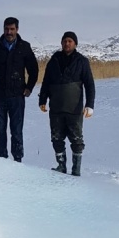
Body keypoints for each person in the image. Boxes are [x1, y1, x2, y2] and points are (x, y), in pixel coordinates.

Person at [0, 17, 39, 162]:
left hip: (17, 96)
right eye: (6, 29)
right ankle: (2, 161)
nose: (9, 32)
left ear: (17, 29)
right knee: (0, 130)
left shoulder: (24, 47)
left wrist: (29, 87)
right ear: (3, 29)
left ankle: (18, 161)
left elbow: (34, 70)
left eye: (12, 29)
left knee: (16, 131)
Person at [39, 31, 95, 176]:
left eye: (70, 41)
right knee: (56, 138)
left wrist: (90, 105)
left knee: (76, 140)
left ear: (75, 43)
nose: (67, 43)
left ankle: (76, 170)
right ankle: (61, 166)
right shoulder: (54, 60)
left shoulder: (82, 61)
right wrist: (42, 100)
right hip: (56, 108)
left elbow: (89, 84)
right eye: (64, 41)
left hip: (74, 109)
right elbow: (46, 82)